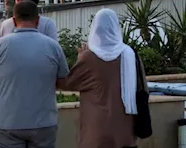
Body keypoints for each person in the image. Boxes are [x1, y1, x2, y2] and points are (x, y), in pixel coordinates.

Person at [0, 0, 70, 148]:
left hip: (7, 122)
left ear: (13, 20)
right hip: (43, 122)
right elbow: (64, 82)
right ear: (37, 20)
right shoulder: (52, 46)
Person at [59, 9, 143, 148]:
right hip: (124, 127)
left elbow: (68, 83)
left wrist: (79, 59)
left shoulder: (89, 57)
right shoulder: (130, 54)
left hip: (96, 130)